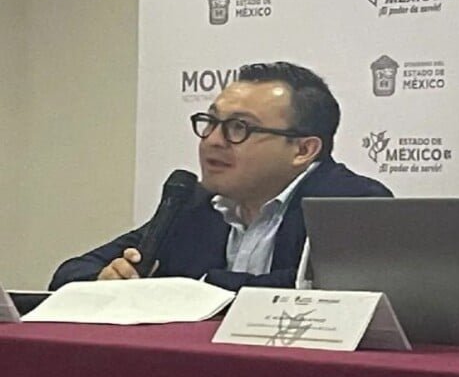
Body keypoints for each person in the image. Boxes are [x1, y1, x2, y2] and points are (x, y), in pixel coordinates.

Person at [50, 62, 392, 291]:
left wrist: (193, 288)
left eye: (238, 127)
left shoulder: (353, 204)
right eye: (211, 122)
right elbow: (71, 272)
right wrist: (106, 278)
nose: (213, 140)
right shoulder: (194, 205)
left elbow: (318, 293)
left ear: (303, 150)